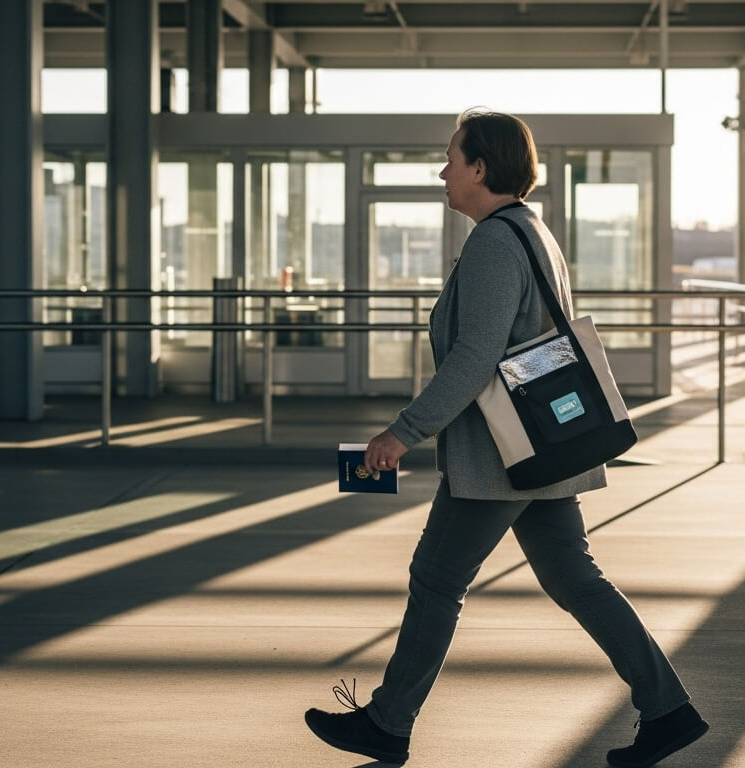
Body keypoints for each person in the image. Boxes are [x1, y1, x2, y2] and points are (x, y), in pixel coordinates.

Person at [303, 110, 708, 768]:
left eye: (451, 159)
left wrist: (402, 434)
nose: (443, 172)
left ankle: (389, 722)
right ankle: (668, 710)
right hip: (545, 446)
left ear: (481, 168)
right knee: (575, 578)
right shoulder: (532, 230)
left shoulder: (495, 240)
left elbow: (475, 358)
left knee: (437, 580)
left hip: (501, 457)